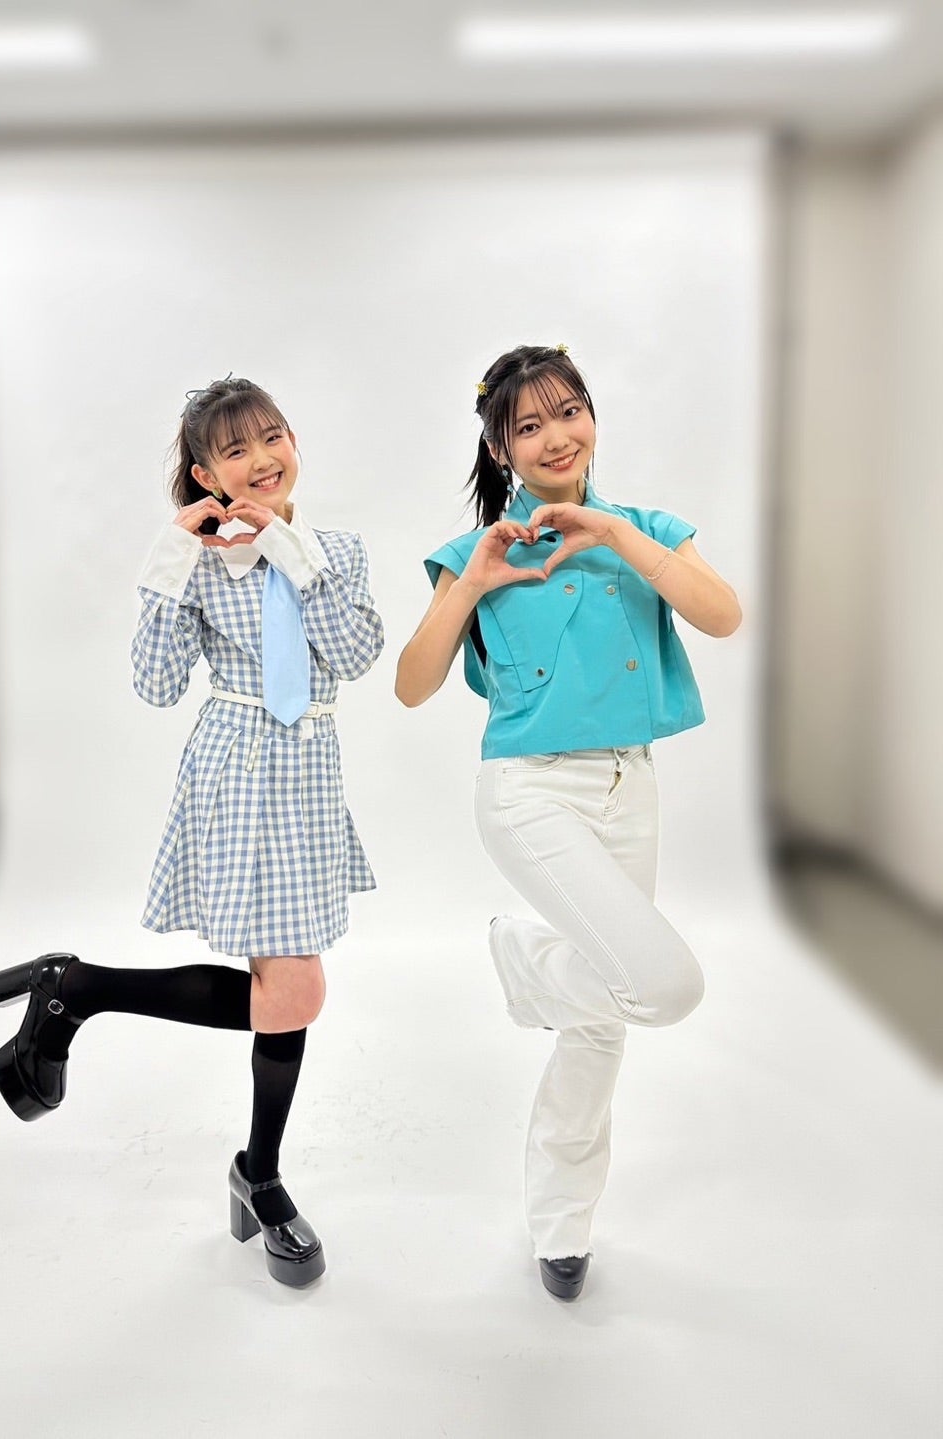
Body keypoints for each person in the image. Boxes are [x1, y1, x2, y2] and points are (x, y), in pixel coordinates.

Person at [0, 376, 383, 1288]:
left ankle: (74, 988)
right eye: (235, 450)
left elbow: (357, 655)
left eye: (273, 436)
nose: (262, 459)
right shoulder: (199, 567)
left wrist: (291, 551)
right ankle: (259, 1174)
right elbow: (158, 685)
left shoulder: (338, 551)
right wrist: (169, 562)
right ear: (206, 473)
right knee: (297, 988)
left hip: (310, 778)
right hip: (236, 772)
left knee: (288, 990)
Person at [396, 343, 741, 1300]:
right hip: (530, 792)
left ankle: (560, 1223)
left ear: (593, 416)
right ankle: (523, 957)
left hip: (633, 787)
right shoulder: (476, 553)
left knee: (600, 1029)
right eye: (529, 425)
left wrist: (615, 535)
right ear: (500, 448)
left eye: (570, 411)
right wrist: (475, 584)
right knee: (664, 987)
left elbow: (722, 615)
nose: (556, 436)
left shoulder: (647, 530)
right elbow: (413, 686)